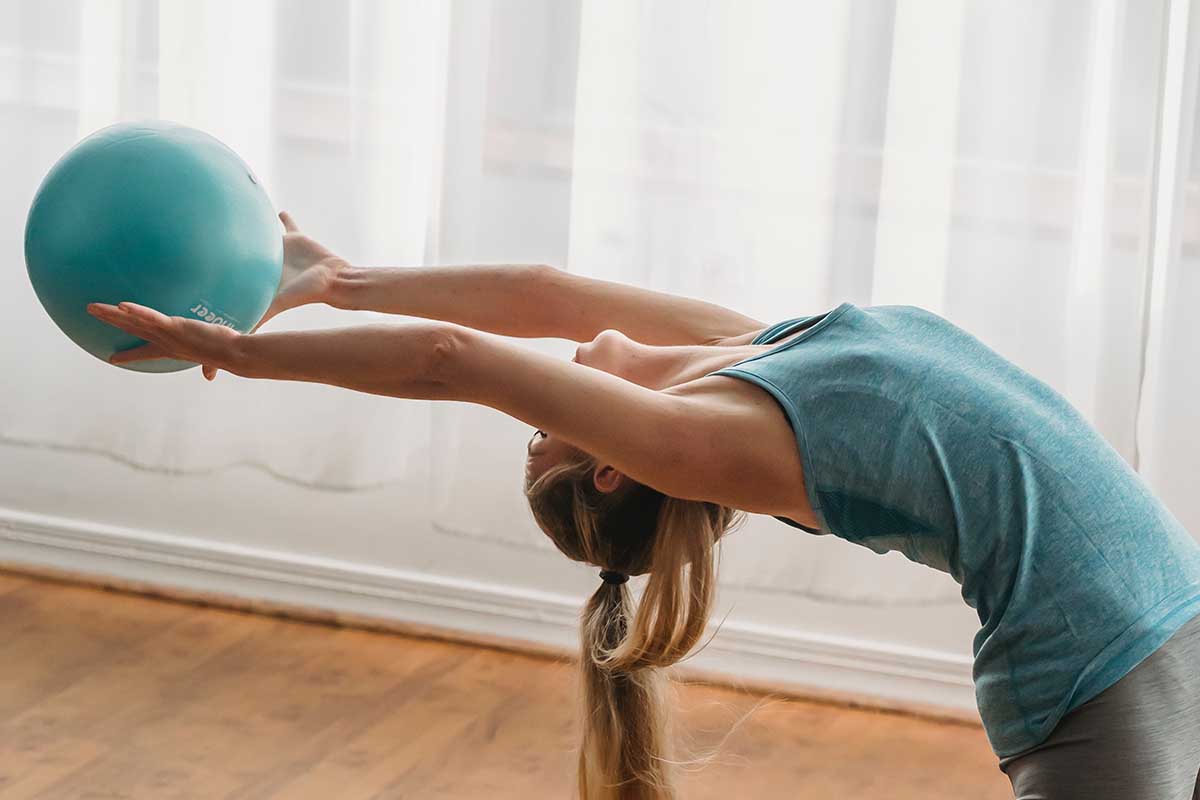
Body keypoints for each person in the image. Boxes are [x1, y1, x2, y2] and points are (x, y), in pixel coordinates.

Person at [89, 212, 1200, 800]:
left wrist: (329, 280)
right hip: (1103, 667)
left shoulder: (754, 352)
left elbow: (537, 292)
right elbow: (454, 358)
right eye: (541, 433)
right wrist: (241, 354)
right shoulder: (708, 441)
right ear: (613, 462)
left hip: (1169, 606)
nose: (544, 398)